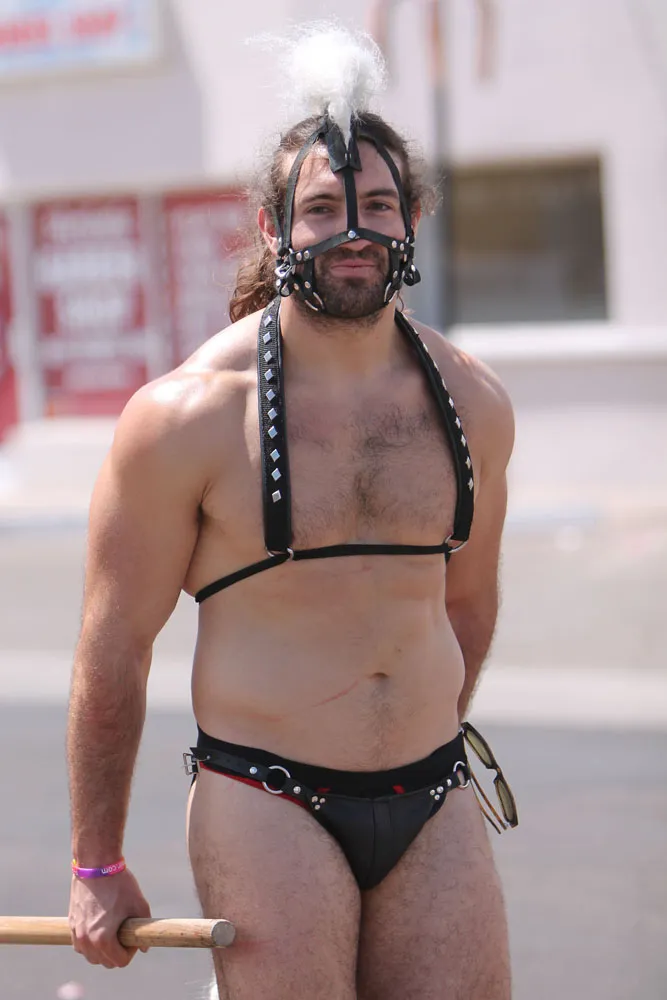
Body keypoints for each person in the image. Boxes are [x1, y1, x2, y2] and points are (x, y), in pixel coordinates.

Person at [67, 27, 517, 1000]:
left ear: (412, 219)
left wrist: (410, 728)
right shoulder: (183, 418)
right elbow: (114, 648)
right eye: (320, 209)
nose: (354, 230)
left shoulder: (473, 403)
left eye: (378, 205)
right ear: (274, 230)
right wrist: (96, 862)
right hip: (267, 799)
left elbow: (469, 602)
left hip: (432, 792)